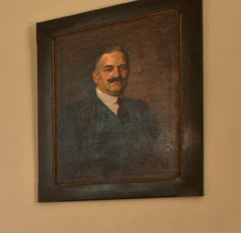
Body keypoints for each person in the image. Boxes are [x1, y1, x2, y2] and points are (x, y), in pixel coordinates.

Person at [56, 47, 166, 183]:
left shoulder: (140, 110)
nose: (117, 74)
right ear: (96, 77)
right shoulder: (73, 115)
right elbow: (71, 170)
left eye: (122, 68)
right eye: (109, 69)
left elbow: (154, 157)